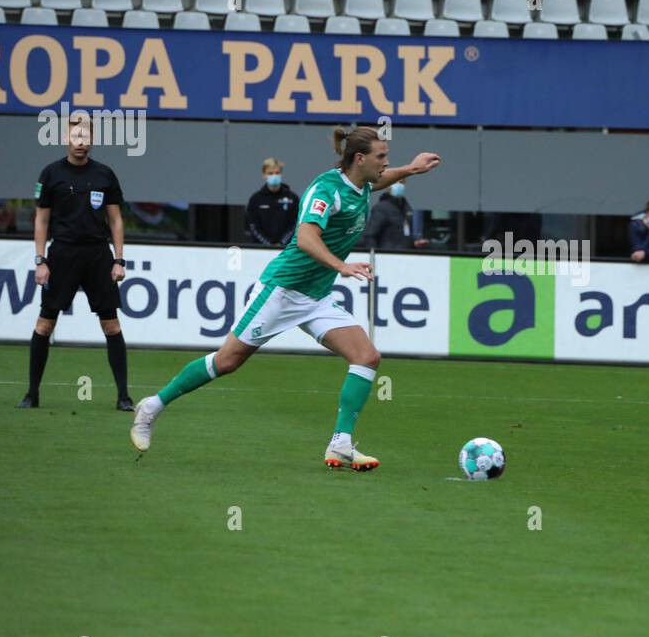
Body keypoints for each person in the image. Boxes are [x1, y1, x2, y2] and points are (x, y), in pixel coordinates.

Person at [129, 126, 442, 470]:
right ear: (359, 158)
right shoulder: (327, 189)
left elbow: (379, 180)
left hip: (316, 297)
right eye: (381, 156)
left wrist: (412, 169)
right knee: (227, 361)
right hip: (282, 290)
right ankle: (152, 407)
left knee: (366, 356)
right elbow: (306, 237)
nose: (386, 163)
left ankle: (341, 444)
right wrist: (341, 266)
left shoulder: (362, 182)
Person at [20, 120, 133, 410]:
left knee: (111, 325)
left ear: (92, 139)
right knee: (45, 325)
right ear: (66, 138)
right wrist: (40, 260)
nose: (80, 141)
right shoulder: (52, 173)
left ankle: (123, 397)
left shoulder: (104, 174)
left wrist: (119, 259)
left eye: (85, 135)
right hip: (62, 255)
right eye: (75, 135)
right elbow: (41, 220)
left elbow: (116, 219)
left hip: (98, 255)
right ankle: (32, 394)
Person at [245, 158, 300, 246]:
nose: (274, 176)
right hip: (260, 250)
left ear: (281, 174)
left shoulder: (293, 198)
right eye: (270, 173)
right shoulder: (255, 199)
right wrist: (268, 244)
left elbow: (296, 224)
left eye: (277, 173)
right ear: (264, 175)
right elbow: (252, 226)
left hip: (286, 249)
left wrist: (282, 243)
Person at [361, 181, 429, 251]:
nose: (400, 185)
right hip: (388, 255)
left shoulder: (405, 207)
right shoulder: (381, 208)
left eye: (402, 182)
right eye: (396, 181)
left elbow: (404, 232)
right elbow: (370, 235)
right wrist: (374, 255)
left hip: (406, 254)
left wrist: (415, 242)